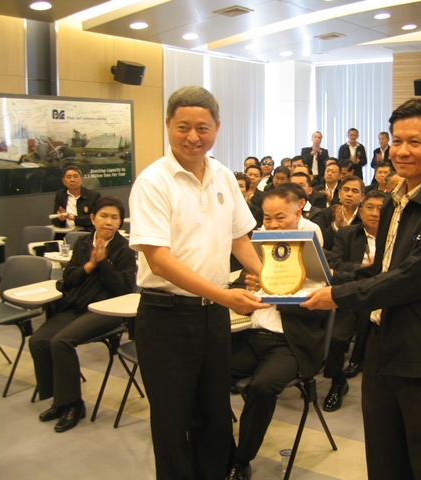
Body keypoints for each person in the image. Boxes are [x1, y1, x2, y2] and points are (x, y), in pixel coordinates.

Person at [303, 99, 421, 479]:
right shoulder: (393, 202)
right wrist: (322, 279)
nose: (401, 151)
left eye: (414, 142)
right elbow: (382, 270)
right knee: (384, 459)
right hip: (380, 344)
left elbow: (415, 277)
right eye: (396, 141)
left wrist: (339, 296)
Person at [129, 86, 268, 480]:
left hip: (213, 317)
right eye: (183, 127)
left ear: (217, 128)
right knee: (172, 419)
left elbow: (240, 238)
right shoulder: (153, 182)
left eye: (203, 128)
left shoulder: (224, 175)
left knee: (214, 411)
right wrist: (224, 295)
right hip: (167, 316)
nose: (193, 137)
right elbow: (159, 260)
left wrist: (271, 279)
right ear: (168, 126)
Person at [227, 188, 329, 480]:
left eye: (280, 217)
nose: (272, 225)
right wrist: (249, 290)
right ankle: (222, 449)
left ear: (298, 214)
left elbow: (319, 310)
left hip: (290, 344)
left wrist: (275, 290)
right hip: (250, 334)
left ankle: (241, 459)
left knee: (261, 388)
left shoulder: (311, 255)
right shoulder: (259, 249)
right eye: (267, 218)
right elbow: (239, 289)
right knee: (206, 373)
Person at [30, 196, 136, 433]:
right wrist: (89, 264)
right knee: (38, 341)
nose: (109, 222)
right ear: (93, 218)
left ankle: (74, 405)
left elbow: (124, 289)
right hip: (78, 306)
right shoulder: (83, 243)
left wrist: (103, 263)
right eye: (104, 216)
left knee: (61, 342)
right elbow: (69, 279)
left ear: (120, 222)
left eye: (115, 218)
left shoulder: (125, 249)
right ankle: (60, 400)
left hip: (109, 310)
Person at [322, 190, 386, 412]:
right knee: (335, 337)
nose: (375, 213)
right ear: (361, 211)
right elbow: (336, 264)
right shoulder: (347, 233)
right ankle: (337, 382)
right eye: (370, 207)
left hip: (385, 297)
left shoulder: (396, 236)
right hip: (351, 294)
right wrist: (365, 269)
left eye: (381, 208)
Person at [319, 175, 365, 250]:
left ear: (362, 197)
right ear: (339, 194)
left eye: (355, 191)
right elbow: (322, 244)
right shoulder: (326, 213)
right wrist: (336, 224)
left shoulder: (364, 216)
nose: (349, 194)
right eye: (346, 190)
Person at [52, 165, 101, 232]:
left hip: (85, 232)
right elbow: (54, 219)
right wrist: (60, 219)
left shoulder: (93, 196)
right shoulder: (60, 195)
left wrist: (73, 218)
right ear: (64, 181)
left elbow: (95, 218)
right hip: (65, 231)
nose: (72, 180)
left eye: (75, 176)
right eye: (69, 177)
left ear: (82, 180)